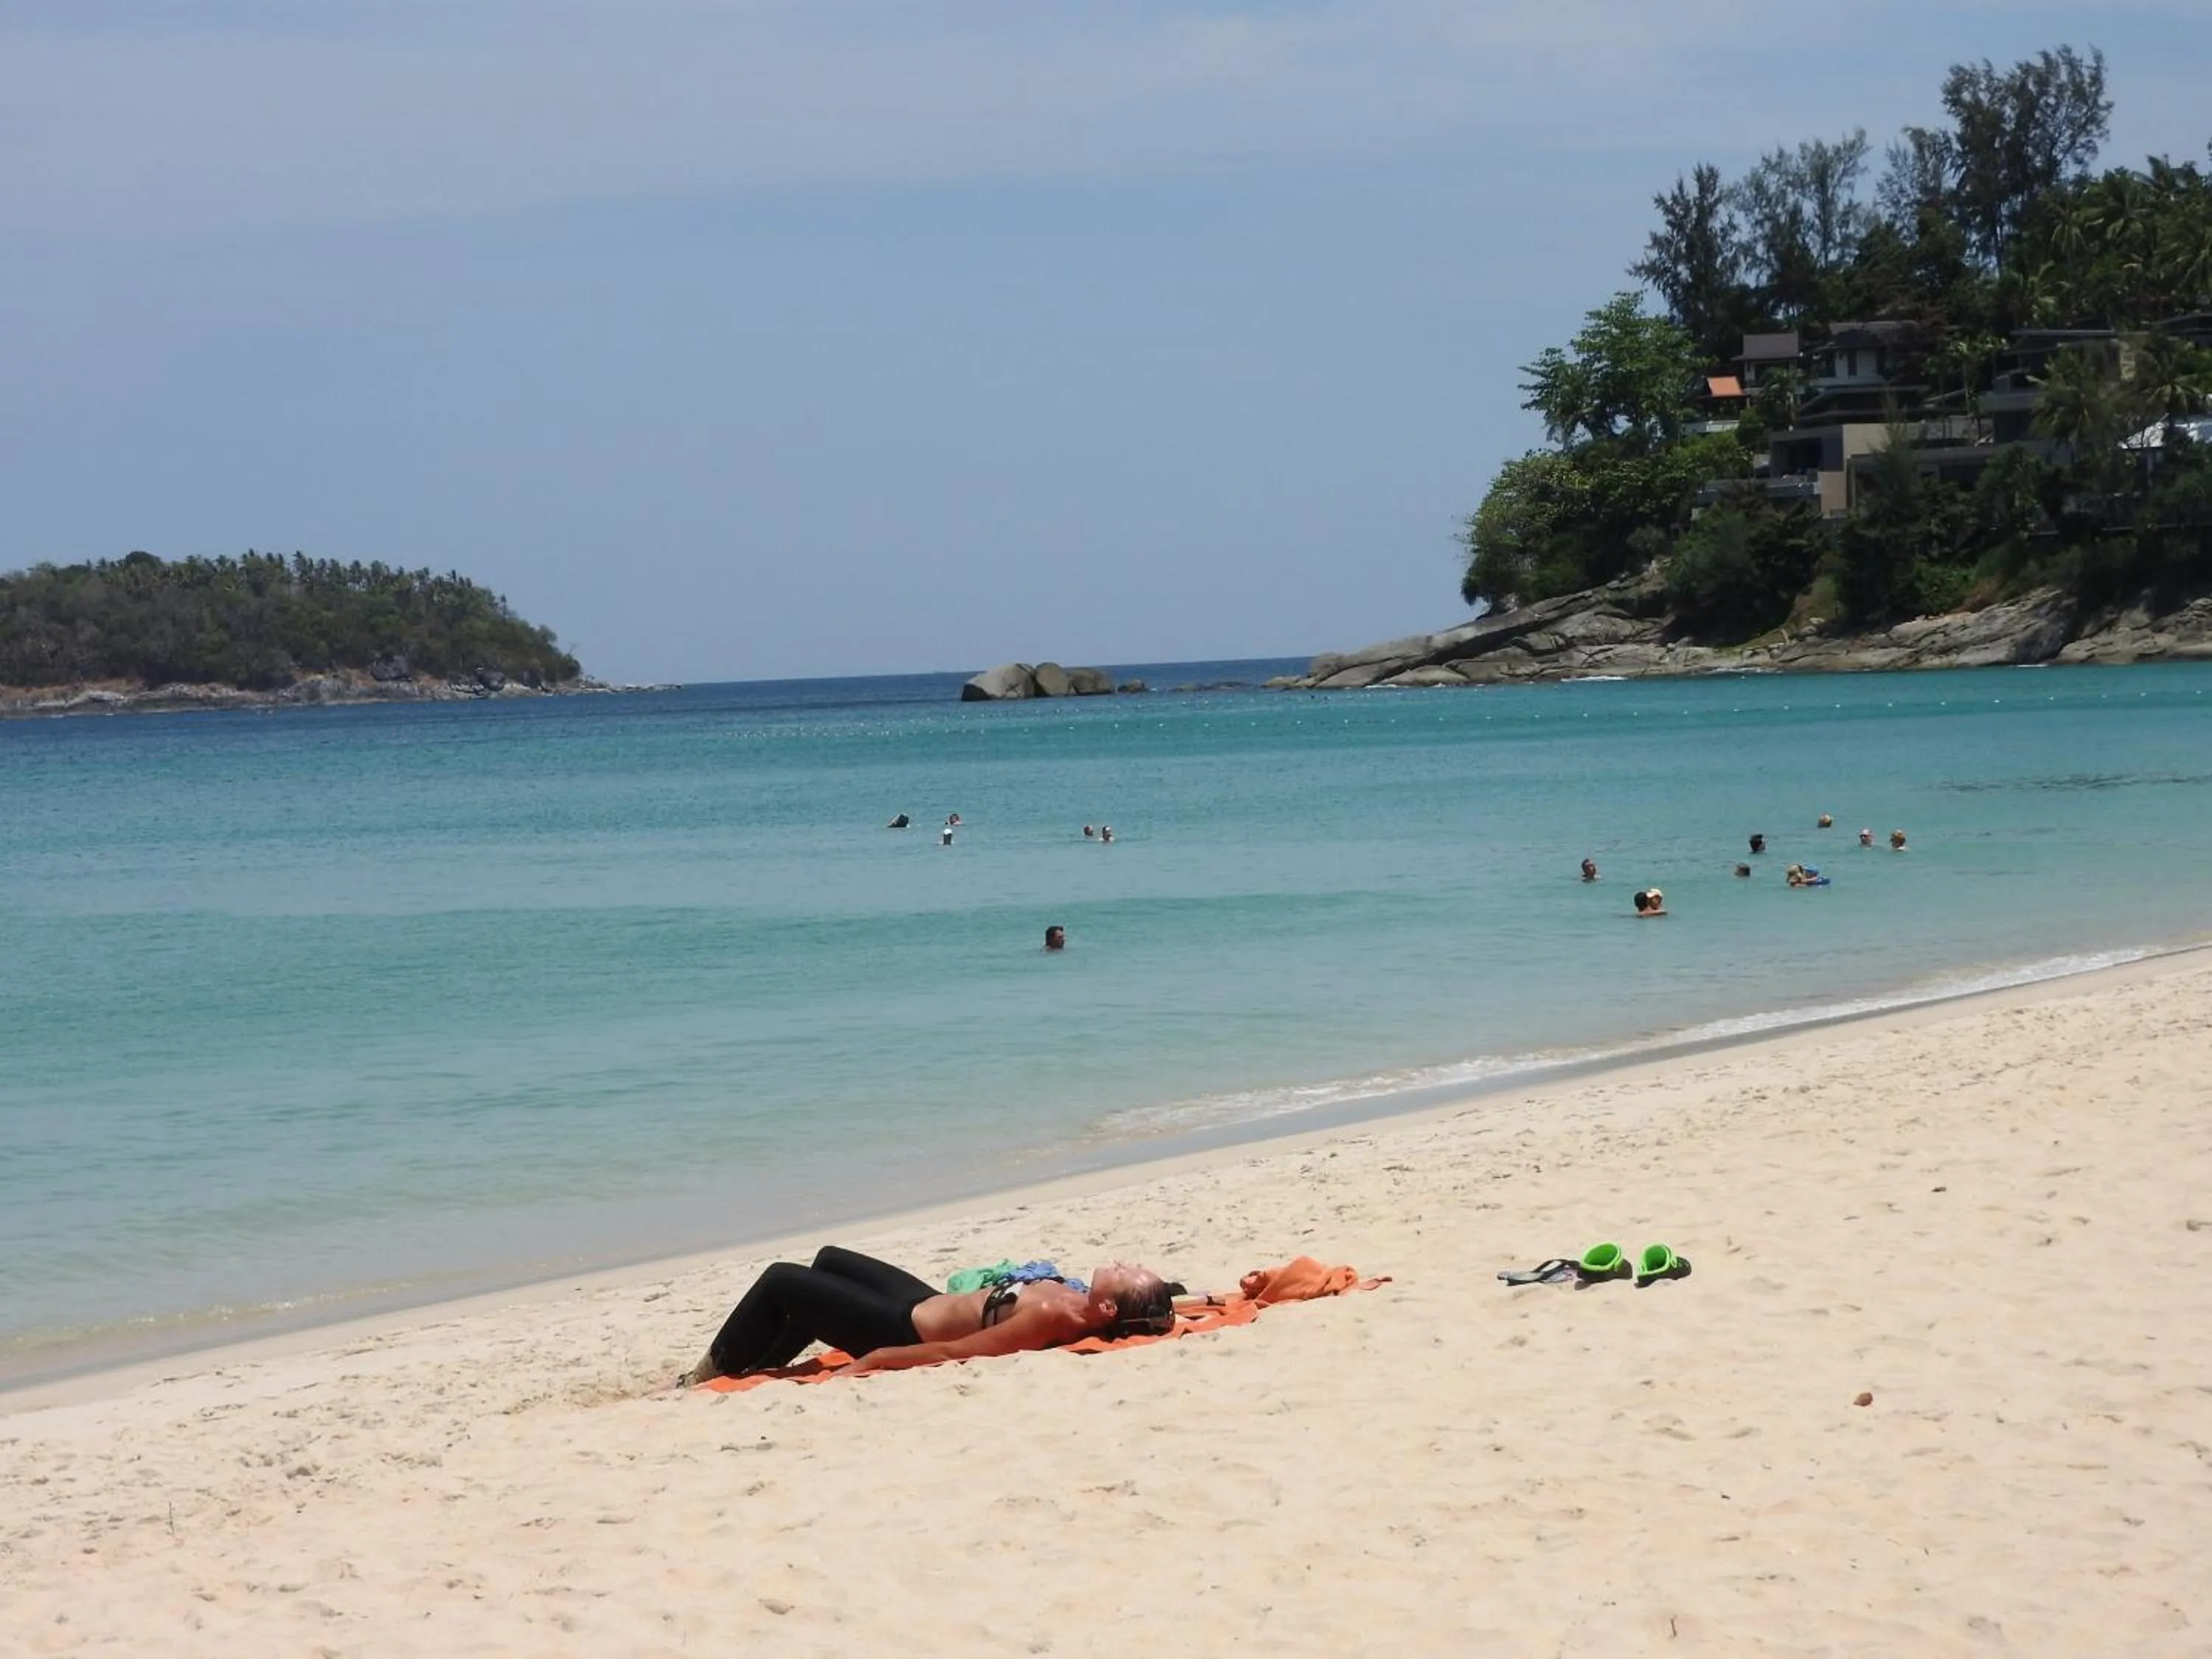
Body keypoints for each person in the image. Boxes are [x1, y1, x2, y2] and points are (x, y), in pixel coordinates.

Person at [685, 1246, 1177, 1383]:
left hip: (900, 1324)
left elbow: (956, 1351)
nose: (1125, 1262)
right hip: (920, 1298)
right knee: (829, 1259)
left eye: (1130, 1272)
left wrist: (874, 1358)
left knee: (781, 1280)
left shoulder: (1052, 1316)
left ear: (1109, 1307)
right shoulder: (1083, 1300)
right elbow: (1160, 1308)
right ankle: (764, 1363)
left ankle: (714, 1372)